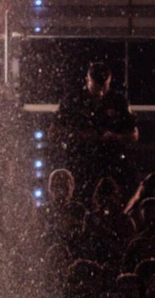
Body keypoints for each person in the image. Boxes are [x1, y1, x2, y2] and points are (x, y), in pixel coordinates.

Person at [55, 61, 139, 198]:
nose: (100, 93)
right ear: (87, 80)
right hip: (80, 163)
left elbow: (134, 134)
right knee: (80, 200)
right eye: (96, 87)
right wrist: (80, 135)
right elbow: (54, 131)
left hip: (111, 164)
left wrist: (115, 137)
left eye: (104, 87)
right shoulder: (73, 101)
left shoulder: (118, 101)